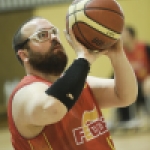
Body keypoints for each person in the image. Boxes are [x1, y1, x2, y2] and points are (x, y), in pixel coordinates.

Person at [7, 16, 137, 150]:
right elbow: (53, 109)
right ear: (24, 55)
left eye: (54, 32)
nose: (53, 37)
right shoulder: (24, 93)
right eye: (42, 35)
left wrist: (117, 54)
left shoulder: (79, 83)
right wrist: (83, 59)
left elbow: (126, 96)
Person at [111, 25, 150, 130]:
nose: (121, 36)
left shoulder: (145, 47)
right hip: (133, 83)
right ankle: (126, 120)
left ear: (131, 36)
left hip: (146, 81)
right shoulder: (121, 52)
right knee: (120, 89)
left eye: (123, 33)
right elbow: (115, 73)